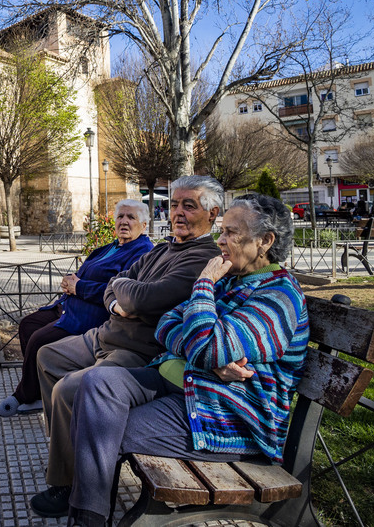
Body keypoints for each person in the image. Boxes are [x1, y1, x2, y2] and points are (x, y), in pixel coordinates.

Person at [48, 194, 309, 526]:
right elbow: (167, 324)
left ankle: (86, 520)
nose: (221, 240)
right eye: (222, 231)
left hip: (228, 414)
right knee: (97, 382)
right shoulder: (230, 279)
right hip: (187, 386)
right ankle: (89, 517)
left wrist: (202, 288)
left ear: (265, 242)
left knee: (100, 424)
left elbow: (209, 347)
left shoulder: (278, 297)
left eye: (231, 233)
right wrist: (206, 354)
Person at [30, 175, 224, 518]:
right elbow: (112, 287)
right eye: (174, 204)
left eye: (188, 206)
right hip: (106, 333)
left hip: (137, 350)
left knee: (68, 391)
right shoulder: (164, 247)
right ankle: (67, 448)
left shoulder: (202, 257)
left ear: (213, 213)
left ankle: (72, 484)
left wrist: (126, 293)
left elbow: (148, 298)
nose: (177, 212)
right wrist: (120, 300)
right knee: (47, 355)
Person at [0, 200, 155, 417]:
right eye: (120, 216)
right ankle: (39, 390)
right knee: (28, 325)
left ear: (144, 225)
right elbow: (82, 273)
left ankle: (28, 395)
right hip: (69, 305)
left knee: (40, 339)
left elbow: (119, 292)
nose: (124, 222)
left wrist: (78, 286)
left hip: (90, 315)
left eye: (131, 217)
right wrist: (69, 283)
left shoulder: (142, 252)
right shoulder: (110, 247)